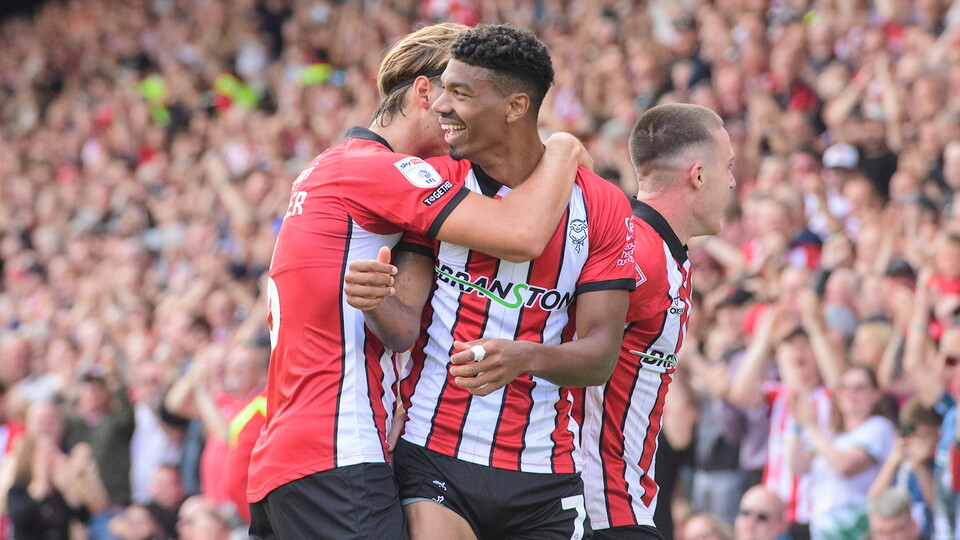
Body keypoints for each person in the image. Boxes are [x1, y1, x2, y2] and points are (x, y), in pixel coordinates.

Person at [246, 22, 590, 540]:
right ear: (424, 92)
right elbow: (521, 234)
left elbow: (401, 328)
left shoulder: (329, 167)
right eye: (458, 93)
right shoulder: (379, 170)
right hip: (337, 449)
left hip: (290, 459)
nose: (461, 114)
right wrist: (564, 148)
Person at [345, 24, 635, 540]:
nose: (441, 107)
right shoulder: (435, 181)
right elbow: (402, 328)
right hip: (435, 456)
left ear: (516, 107)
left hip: (545, 475)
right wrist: (373, 302)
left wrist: (524, 357)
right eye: (443, 90)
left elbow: (599, 357)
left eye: (461, 93)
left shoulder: (602, 206)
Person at [576, 103, 736, 540]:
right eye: (729, 167)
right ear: (699, 175)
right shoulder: (637, 252)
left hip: (627, 499)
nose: (733, 181)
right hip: (597, 505)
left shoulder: (670, 253)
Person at [788, 364, 896, 540]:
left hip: (857, 529)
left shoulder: (879, 427)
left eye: (859, 388)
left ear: (875, 394)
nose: (850, 393)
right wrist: (797, 425)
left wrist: (812, 427)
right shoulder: (831, 436)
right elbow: (797, 466)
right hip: (823, 530)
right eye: (844, 387)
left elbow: (845, 466)